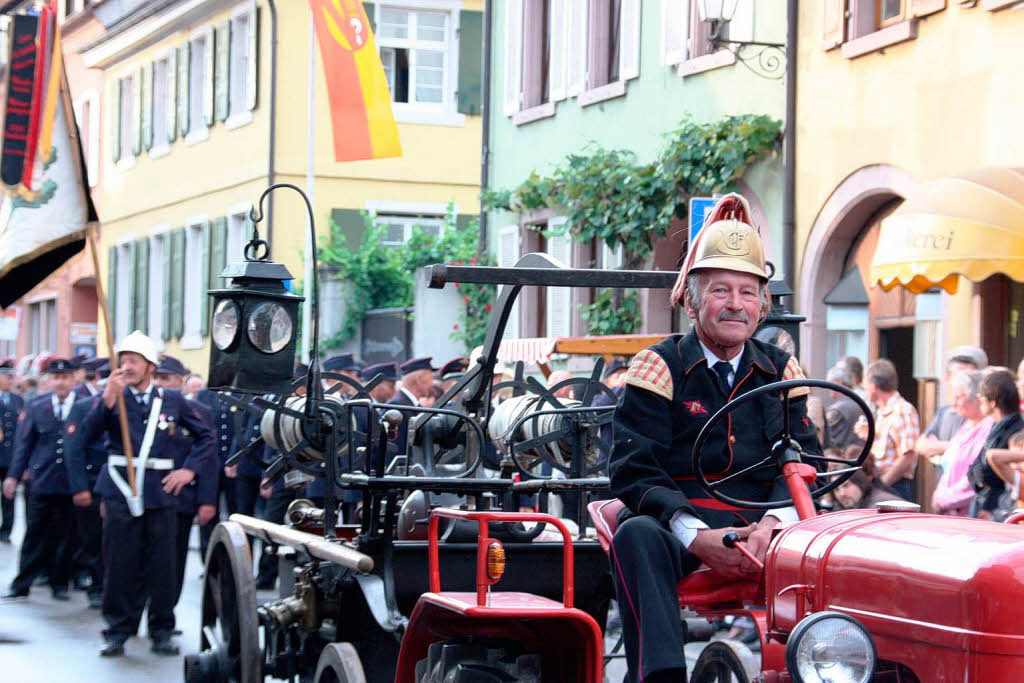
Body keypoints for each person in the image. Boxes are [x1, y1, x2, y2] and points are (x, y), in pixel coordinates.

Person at [608, 193, 819, 682]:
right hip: (682, 522)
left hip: (768, 525)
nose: (735, 305)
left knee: (844, 545)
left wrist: (771, 524)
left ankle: (830, 665)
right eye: (720, 291)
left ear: (763, 306)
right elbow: (633, 470)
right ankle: (659, 675)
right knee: (636, 533)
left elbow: (806, 461)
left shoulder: (782, 369)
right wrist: (697, 536)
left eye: (748, 293)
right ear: (692, 299)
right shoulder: (658, 365)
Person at [68, 331, 213, 658]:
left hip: (160, 492)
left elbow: (206, 437)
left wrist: (188, 470)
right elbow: (84, 437)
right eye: (123, 361)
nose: (127, 366)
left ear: (149, 365)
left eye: (133, 361)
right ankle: (117, 630)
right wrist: (106, 401)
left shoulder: (172, 399)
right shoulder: (113, 396)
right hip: (120, 489)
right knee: (120, 563)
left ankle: (161, 630)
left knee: (162, 565)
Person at [1, 358, 82, 601]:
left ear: (73, 380)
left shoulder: (84, 406)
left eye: (65, 377)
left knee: (66, 534)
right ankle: (22, 583)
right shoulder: (37, 406)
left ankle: (59, 583)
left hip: (71, 482)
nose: (61, 382)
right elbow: (24, 445)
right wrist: (13, 476)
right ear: (49, 380)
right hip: (42, 480)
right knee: (35, 532)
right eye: (56, 378)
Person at [153, 355, 219, 601]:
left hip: (181, 496)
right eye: (157, 378)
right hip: (147, 494)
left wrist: (207, 500)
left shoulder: (199, 412)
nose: (161, 384)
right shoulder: (143, 406)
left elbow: (209, 458)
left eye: (166, 378)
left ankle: (167, 610)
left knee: (174, 559)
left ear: (181, 381)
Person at [855, 359, 920, 501]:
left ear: (873, 386)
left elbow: (908, 455)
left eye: (865, 385)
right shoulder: (884, 412)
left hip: (895, 485)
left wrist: (883, 484)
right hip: (883, 481)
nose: (864, 390)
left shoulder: (902, 410)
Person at [930, 371, 993, 516]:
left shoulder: (987, 429)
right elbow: (949, 467)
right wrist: (939, 496)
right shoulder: (967, 427)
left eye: (959, 397)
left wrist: (944, 500)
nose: (954, 403)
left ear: (977, 398)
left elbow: (976, 476)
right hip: (949, 511)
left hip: (969, 514)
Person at [968, 369, 1024, 520]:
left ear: (993, 402)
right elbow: (977, 468)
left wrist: (995, 515)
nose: (979, 401)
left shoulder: (1016, 429)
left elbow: (992, 460)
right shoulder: (994, 426)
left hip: (998, 505)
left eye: (982, 397)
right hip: (988, 503)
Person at [917, 346, 988, 460]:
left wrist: (938, 447)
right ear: (948, 378)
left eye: (968, 376)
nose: (963, 381)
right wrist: (953, 446)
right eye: (958, 375)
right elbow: (921, 445)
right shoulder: (944, 412)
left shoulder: (986, 417)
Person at [388, 357, 435, 457]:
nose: (432, 383)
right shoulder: (397, 406)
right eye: (430, 378)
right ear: (419, 379)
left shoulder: (411, 405)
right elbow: (394, 449)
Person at [0, 357, 24, 543]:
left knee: (9, 494)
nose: (10, 379)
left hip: (10, 456)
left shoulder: (19, 400)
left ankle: (6, 529)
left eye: (11, 376)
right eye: (5, 376)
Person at [823, 363, 865, 451]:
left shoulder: (837, 410)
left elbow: (824, 437)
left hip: (841, 460)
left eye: (829, 382)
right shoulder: (860, 404)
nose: (827, 388)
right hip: (859, 457)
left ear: (838, 382)